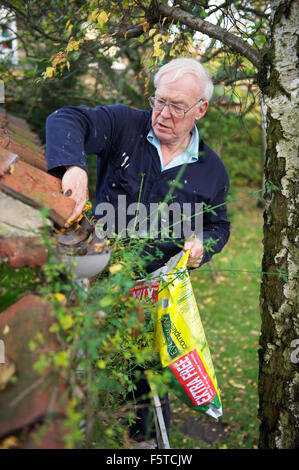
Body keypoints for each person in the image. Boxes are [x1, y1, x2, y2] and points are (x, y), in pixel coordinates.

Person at [46, 57, 230, 443]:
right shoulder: (124, 126)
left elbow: (218, 226)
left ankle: (142, 441)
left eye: (177, 107)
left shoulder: (211, 170)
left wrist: (202, 246)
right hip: (93, 274)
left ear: (201, 109)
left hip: (152, 296)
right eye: (159, 101)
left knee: (145, 381)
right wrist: (73, 166)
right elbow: (66, 119)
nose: (162, 114)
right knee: (76, 365)